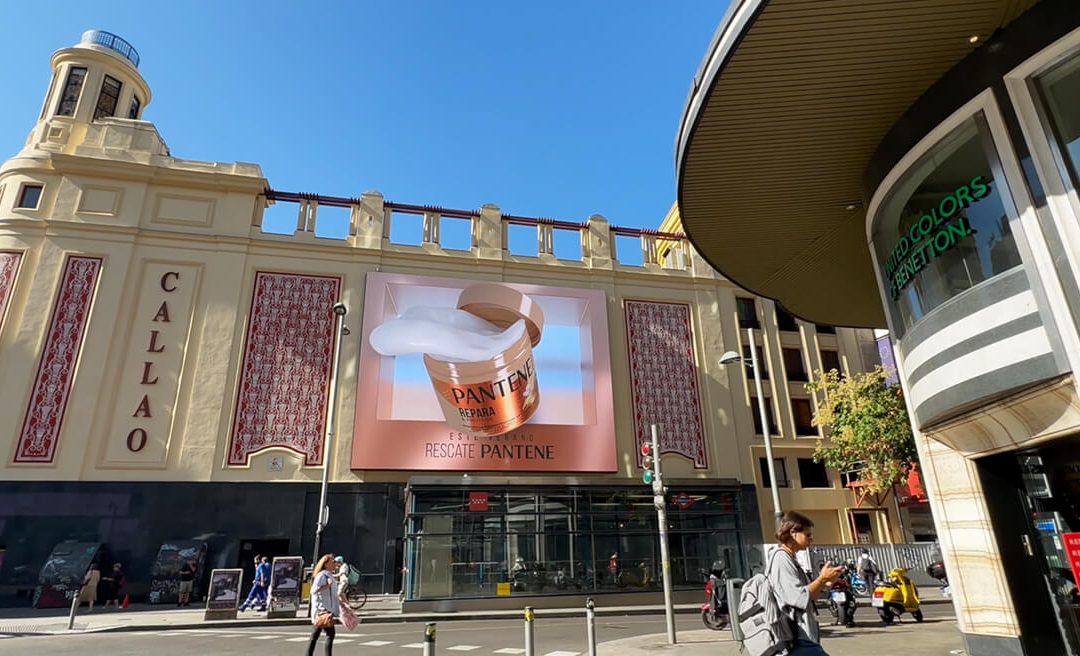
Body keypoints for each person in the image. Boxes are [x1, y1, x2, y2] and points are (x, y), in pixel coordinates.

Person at [768, 511, 845, 656]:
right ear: (793, 533)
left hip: (804, 637)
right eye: (807, 535)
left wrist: (826, 583)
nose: (811, 539)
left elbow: (811, 596)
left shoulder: (791, 559)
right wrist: (821, 579)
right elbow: (798, 598)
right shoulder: (781, 559)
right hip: (796, 637)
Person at [307, 554, 344, 656]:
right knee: (330, 634)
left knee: (315, 635)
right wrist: (327, 585)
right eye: (332, 562)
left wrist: (341, 603)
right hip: (322, 610)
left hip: (326, 610)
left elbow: (333, 593)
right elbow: (313, 591)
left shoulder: (329, 575)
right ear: (326, 564)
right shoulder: (322, 575)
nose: (334, 564)